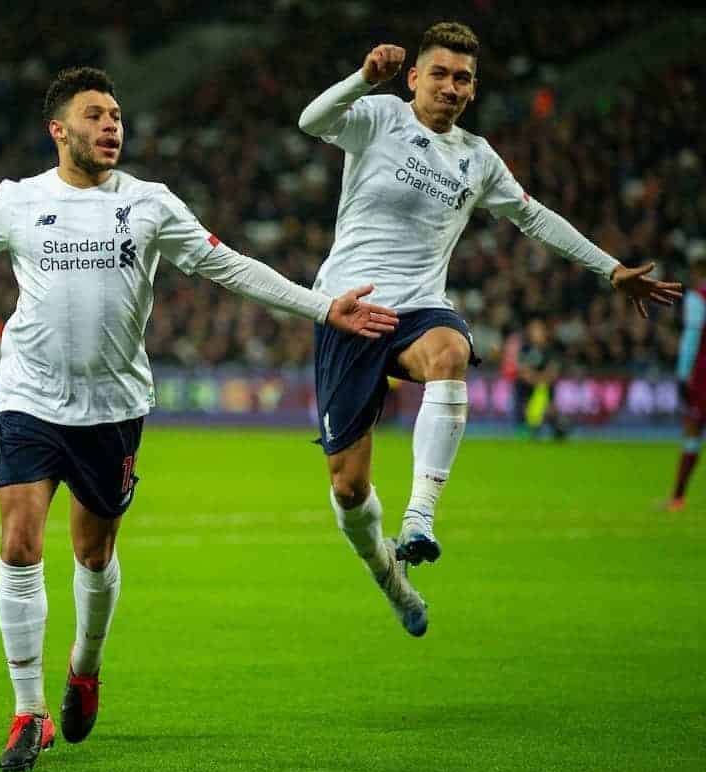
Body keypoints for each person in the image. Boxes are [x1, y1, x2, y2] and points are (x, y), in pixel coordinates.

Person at [0, 67, 400, 772]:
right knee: (19, 544)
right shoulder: (19, 202)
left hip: (114, 409)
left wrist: (321, 305)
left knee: (93, 556)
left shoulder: (151, 204)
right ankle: (27, 710)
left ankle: (85, 665)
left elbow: (231, 269)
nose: (112, 126)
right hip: (30, 398)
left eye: (118, 115)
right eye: (96, 115)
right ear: (58, 129)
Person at [296, 22, 681, 635]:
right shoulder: (377, 116)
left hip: (420, 308)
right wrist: (362, 79)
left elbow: (537, 219)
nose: (452, 87)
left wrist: (610, 269)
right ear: (415, 77)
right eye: (441, 74)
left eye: (464, 79)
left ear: (474, 90)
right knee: (348, 490)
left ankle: (420, 516)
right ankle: (389, 576)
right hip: (349, 307)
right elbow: (311, 122)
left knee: (451, 351)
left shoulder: (477, 159)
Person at [668, 246, 706, 510]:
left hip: (703, 373)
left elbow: (692, 337)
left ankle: (678, 497)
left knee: (693, 429)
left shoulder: (698, 297)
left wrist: (682, 375)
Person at [515, 318, 568, 440]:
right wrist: (539, 377)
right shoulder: (525, 350)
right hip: (527, 393)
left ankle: (556, 428)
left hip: (546, 393)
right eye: (533, 330)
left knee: (556, 419)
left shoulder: (551, 351)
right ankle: (529, 427)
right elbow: (523, 373)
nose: (535, 333)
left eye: (538, 330)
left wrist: (537, 378)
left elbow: (553, 373)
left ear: (544, 332)